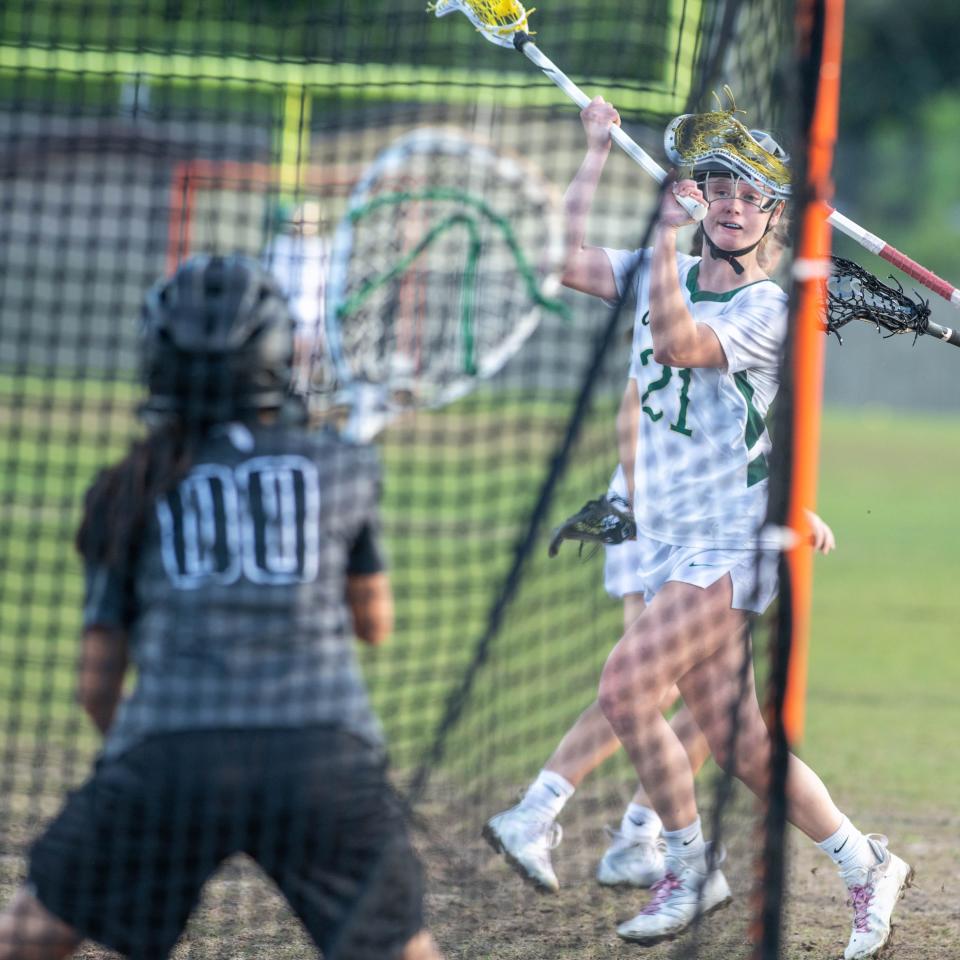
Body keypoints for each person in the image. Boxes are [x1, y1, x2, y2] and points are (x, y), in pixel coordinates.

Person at [0, 255, 441, 960]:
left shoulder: (129, 483)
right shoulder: (339, 464)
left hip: (169, 755)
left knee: (28, 935)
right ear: (275, 359)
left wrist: (155, 762)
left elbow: (95, 688)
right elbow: (375, 626)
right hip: (322, 753)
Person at [555, 96, 911, 958]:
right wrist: (595, 153)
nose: (731, 204)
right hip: (672, 532)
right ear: (702, 195)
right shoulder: (660, 262)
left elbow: (678, 347)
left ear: (771, 217)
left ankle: (689, 867)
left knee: (626, 689)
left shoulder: (770, 309)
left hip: (733, 538)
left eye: (750, 196)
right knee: (741, 743)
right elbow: (556, 259)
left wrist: (662, 244)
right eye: (719, 187)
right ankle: (866, 865)